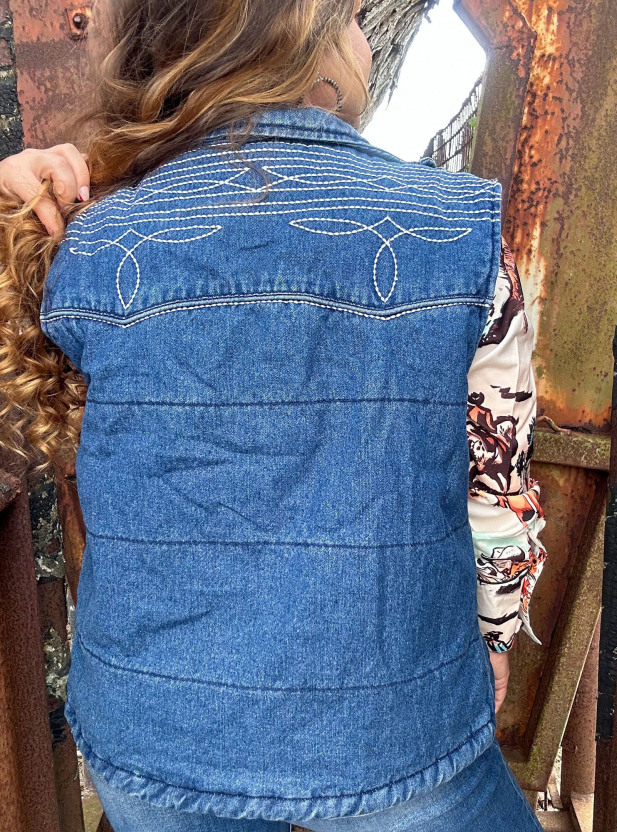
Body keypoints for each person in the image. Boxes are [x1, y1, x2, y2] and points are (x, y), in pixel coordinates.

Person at [0, 1, 547, 830]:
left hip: (156, 728)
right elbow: (497, 493)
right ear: (305, 36)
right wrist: (495, 637)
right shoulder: (458, 228)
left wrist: (9, 198)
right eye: (354, 17)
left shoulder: (92, 237)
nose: (366, 42)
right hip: (393, 722)